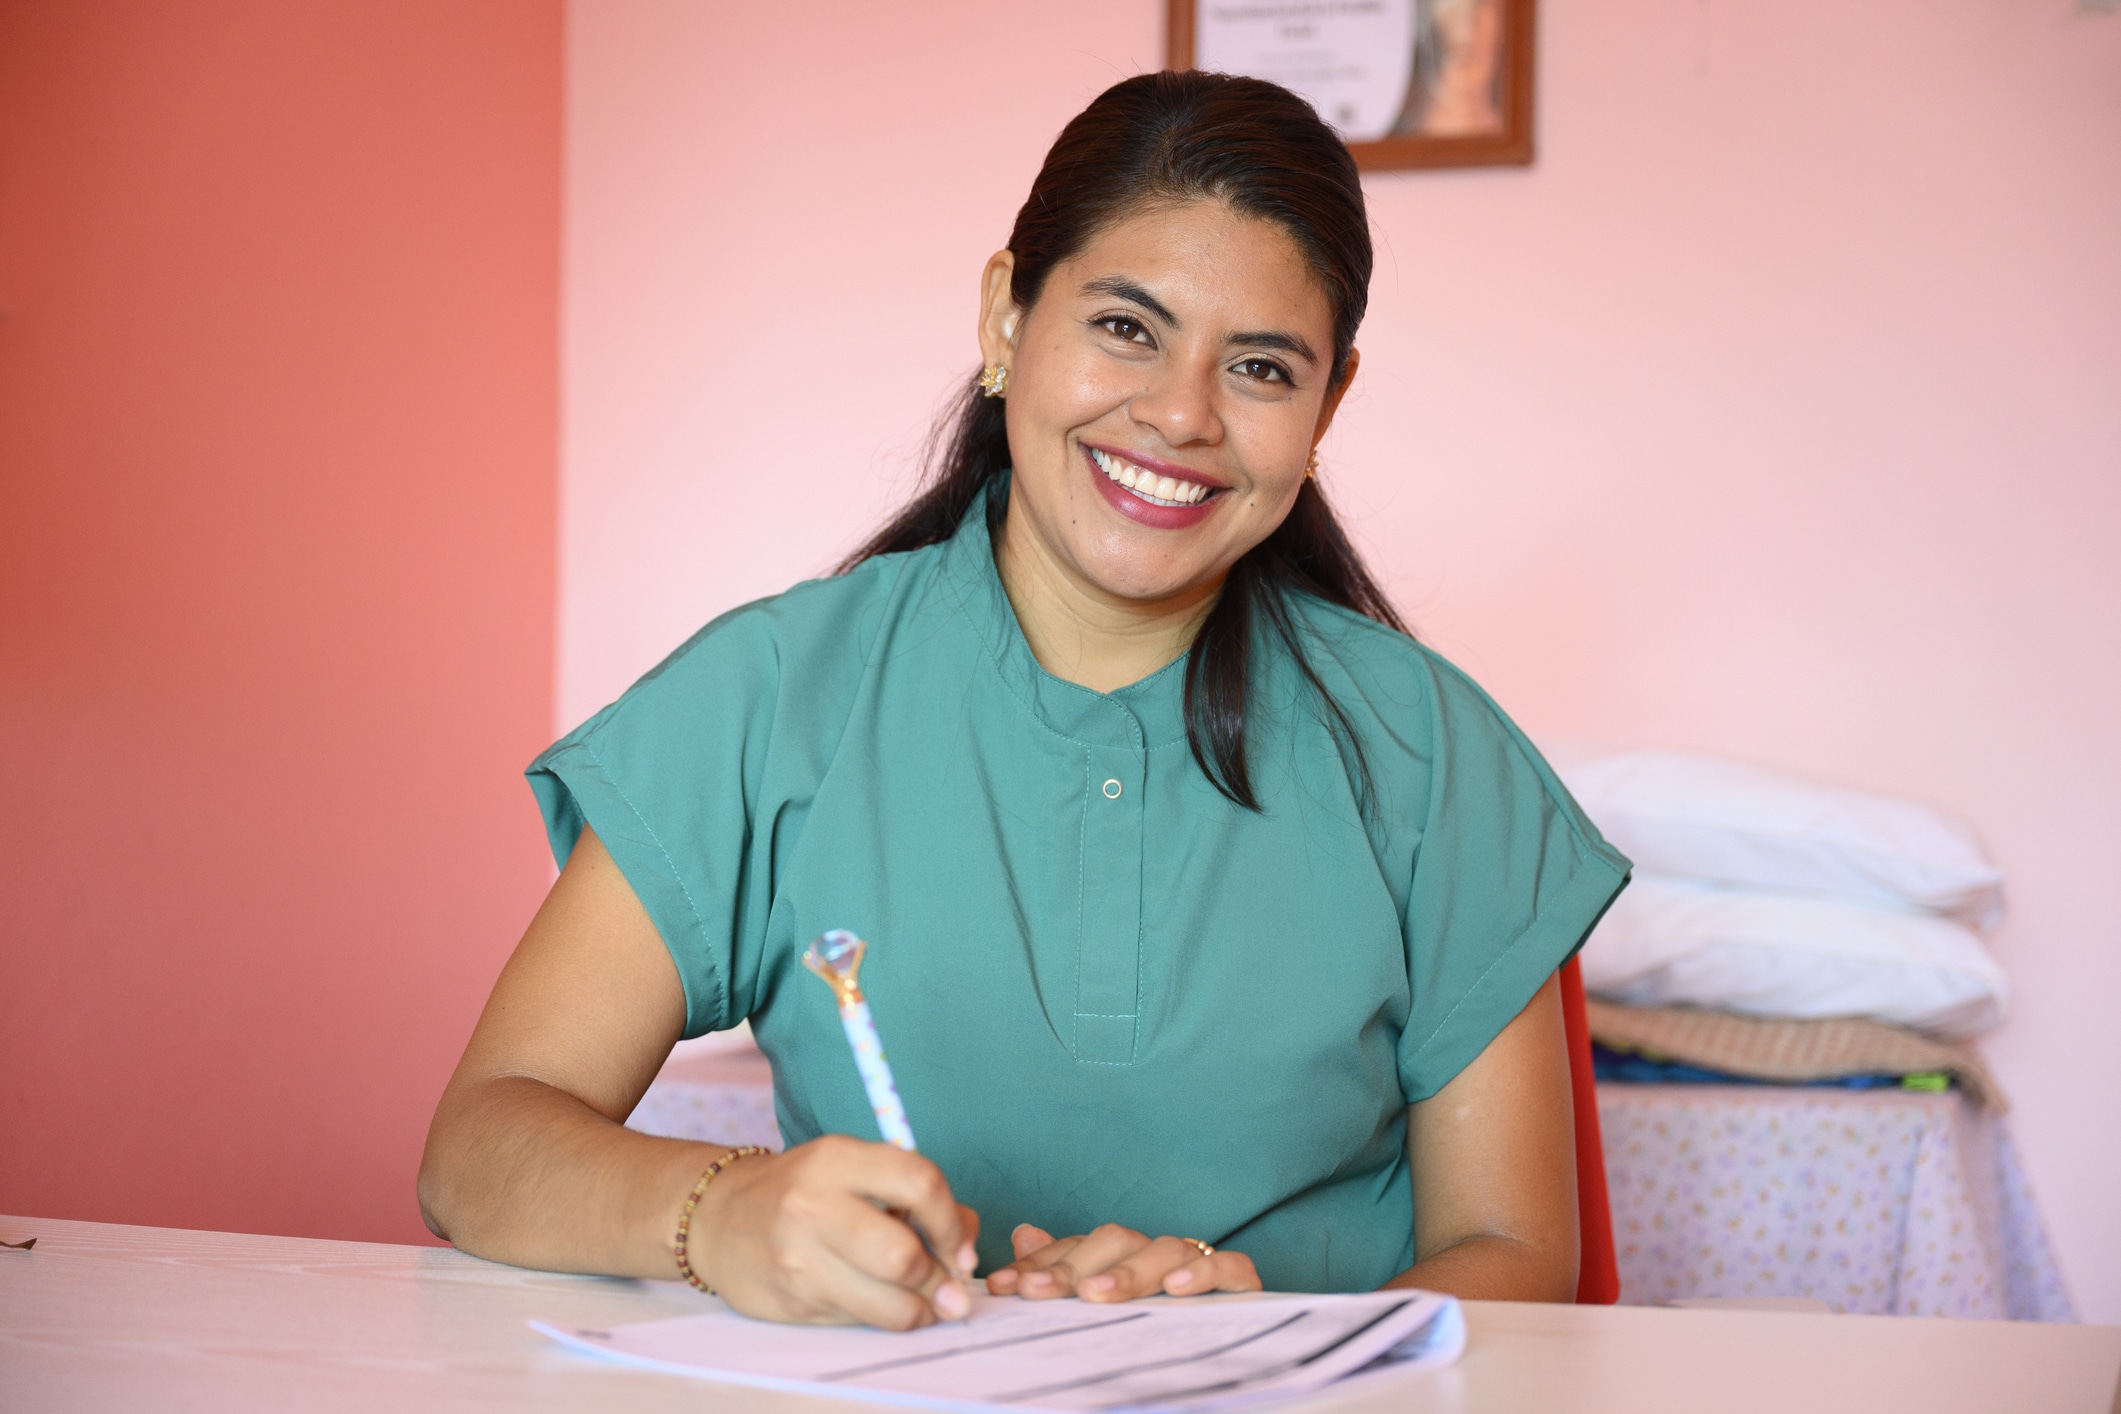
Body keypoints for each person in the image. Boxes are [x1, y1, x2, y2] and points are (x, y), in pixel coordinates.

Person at [418, 69, 1628, 1333]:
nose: (1178, 413)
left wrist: (1276, 1335)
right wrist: (720, 1212)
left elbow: (1513, 1252)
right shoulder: (771, 695)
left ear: (1328, 404)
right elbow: (481, 1141)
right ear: (1006, 316)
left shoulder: (1433, 751)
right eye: (1126, 326)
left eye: (1262, 367)